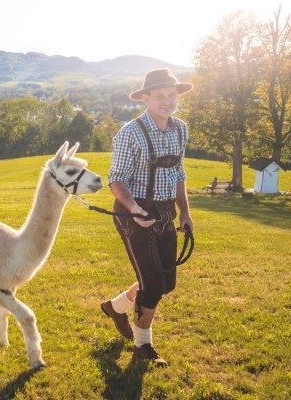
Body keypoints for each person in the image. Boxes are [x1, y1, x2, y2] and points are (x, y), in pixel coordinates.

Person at [100, 68, 195, 367]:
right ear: (145, 98)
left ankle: (115, 307)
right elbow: (116, 180)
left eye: (171, 95)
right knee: (152, 285)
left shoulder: (180, 128)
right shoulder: (130, 133)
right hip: (134, 212)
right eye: (159, 96)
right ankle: (143, 347)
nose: (167, 101)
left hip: (166, 212)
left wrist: (185, 212)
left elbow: (178, 173)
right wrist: (134, 209)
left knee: (166, 284)